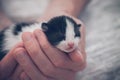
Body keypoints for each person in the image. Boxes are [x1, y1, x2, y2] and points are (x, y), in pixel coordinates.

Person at [0, 0, 87, 80]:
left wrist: (64, 9)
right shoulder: (35, 34)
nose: (71, 43)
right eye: (63, 37)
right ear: (46, 30)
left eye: (75, 36)